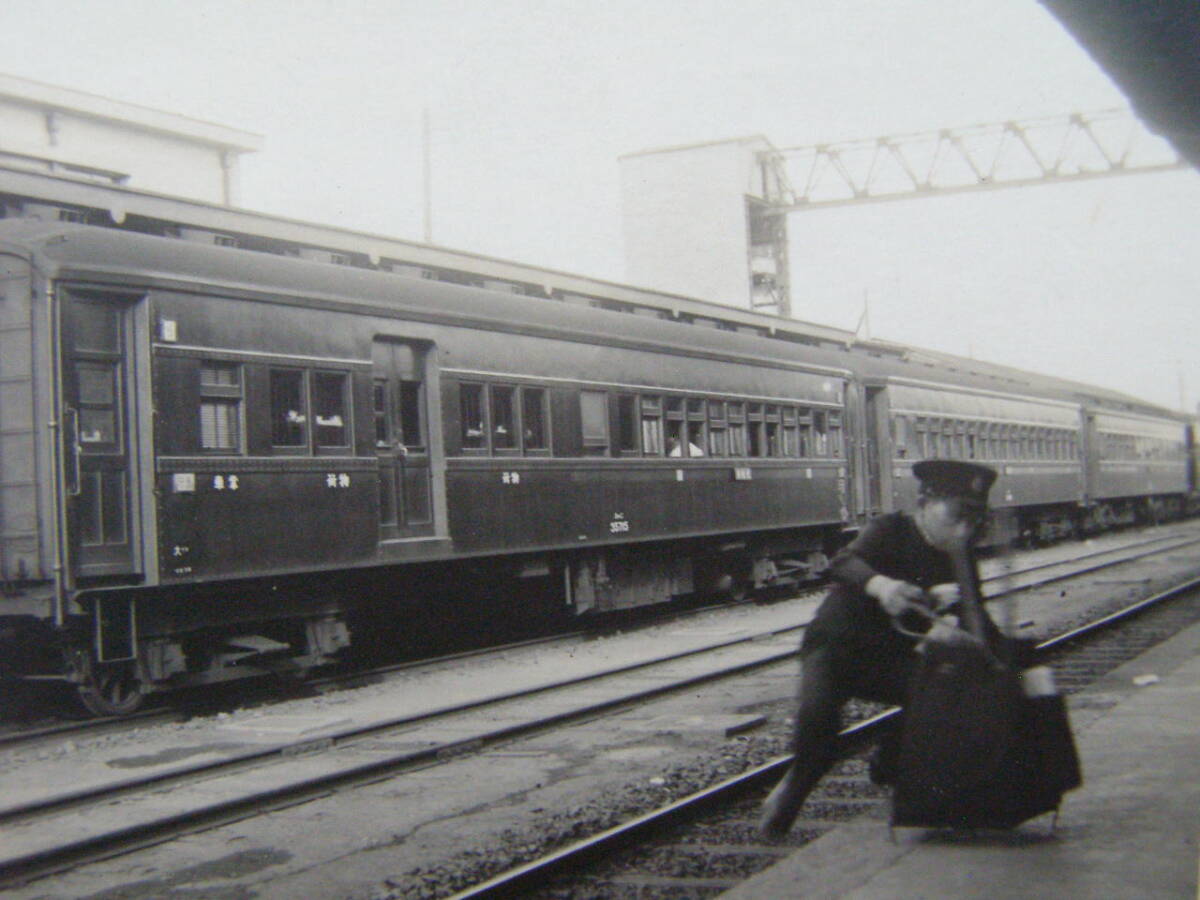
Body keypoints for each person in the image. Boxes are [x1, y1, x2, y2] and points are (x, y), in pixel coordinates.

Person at [758, 458, 999, 838]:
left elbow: (978, 617)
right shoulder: (890, 530)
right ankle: (795, 787)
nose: (964, 530)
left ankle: (890, 758)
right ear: (925, 505)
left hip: (890, 657)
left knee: (946, 692)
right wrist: (883, 587)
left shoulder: (961, 555)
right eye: (956, 516)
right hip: (837, 647)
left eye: (974, 521)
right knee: (819, 727)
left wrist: (986, 647)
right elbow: (843, 563)